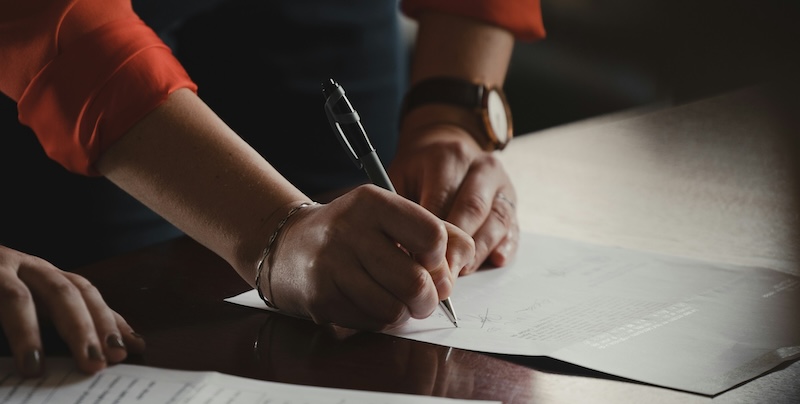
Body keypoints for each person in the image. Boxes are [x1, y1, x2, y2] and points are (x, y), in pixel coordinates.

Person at [0, 0, 545, 377]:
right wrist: (271, 230)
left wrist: (450, 114)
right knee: (139, 304)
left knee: (369, 268)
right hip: (77, 35)